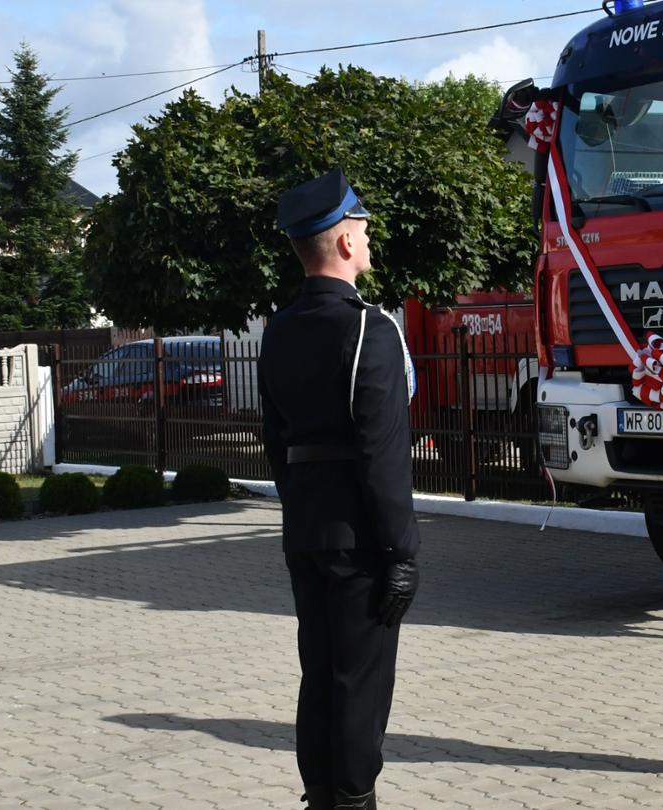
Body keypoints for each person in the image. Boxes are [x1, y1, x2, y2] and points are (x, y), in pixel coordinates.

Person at [260, 169, 420, 810]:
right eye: (365, 231)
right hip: (360, 536)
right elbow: (383, 456)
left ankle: (322, 794)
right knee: (360, 680)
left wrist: (300, 509)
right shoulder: (368, 329)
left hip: (306, 526)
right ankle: (353, 799)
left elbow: (275, 440)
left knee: (319, 674)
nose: (371, 242)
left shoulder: (280, 328)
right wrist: (402, 551)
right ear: (347, 244)